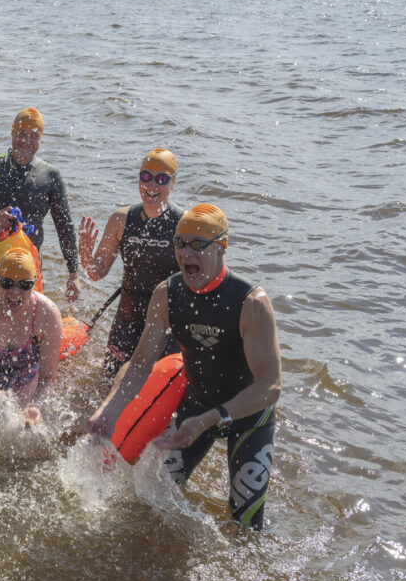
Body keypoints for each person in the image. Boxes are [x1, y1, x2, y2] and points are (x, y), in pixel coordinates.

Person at [81, 204, 281, 529]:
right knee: (152, 503)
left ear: (222, 246)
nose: (186, 253)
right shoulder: (168, 294)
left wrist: (212, 419)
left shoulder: (251, 303)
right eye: (180, 244)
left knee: (246, 525)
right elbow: (141, 363)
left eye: (198, 244)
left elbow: (270, 386)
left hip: (248, 419)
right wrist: (110, 409)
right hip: (195, 407)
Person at [0, 108, 80, 333]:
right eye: (22, 133)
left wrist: (73, 273)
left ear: (40, 139)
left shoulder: (50, 176)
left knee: (24, 336)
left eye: (34, 135)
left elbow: (65, 227)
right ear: (12, 133)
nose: (26, 141)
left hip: (25, 276)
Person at [78, 148, 185, 380]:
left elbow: (199, 278)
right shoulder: (121, 219)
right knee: (109, 385)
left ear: (173, 182)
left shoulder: (183, 225)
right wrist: (86, 256)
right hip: (127, 319)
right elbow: (98, 272)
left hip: (167, 326)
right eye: (145, 176)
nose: (152, 186)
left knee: (162, 393)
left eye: (162, 179)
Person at [0, 248, 63, 427]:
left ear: (35, 283)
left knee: (26, 427)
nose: (15, 293)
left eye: (24, 285)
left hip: (27, 378)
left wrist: (36, 407)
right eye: (7, 283)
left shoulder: (47, 314)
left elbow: (47, 380)